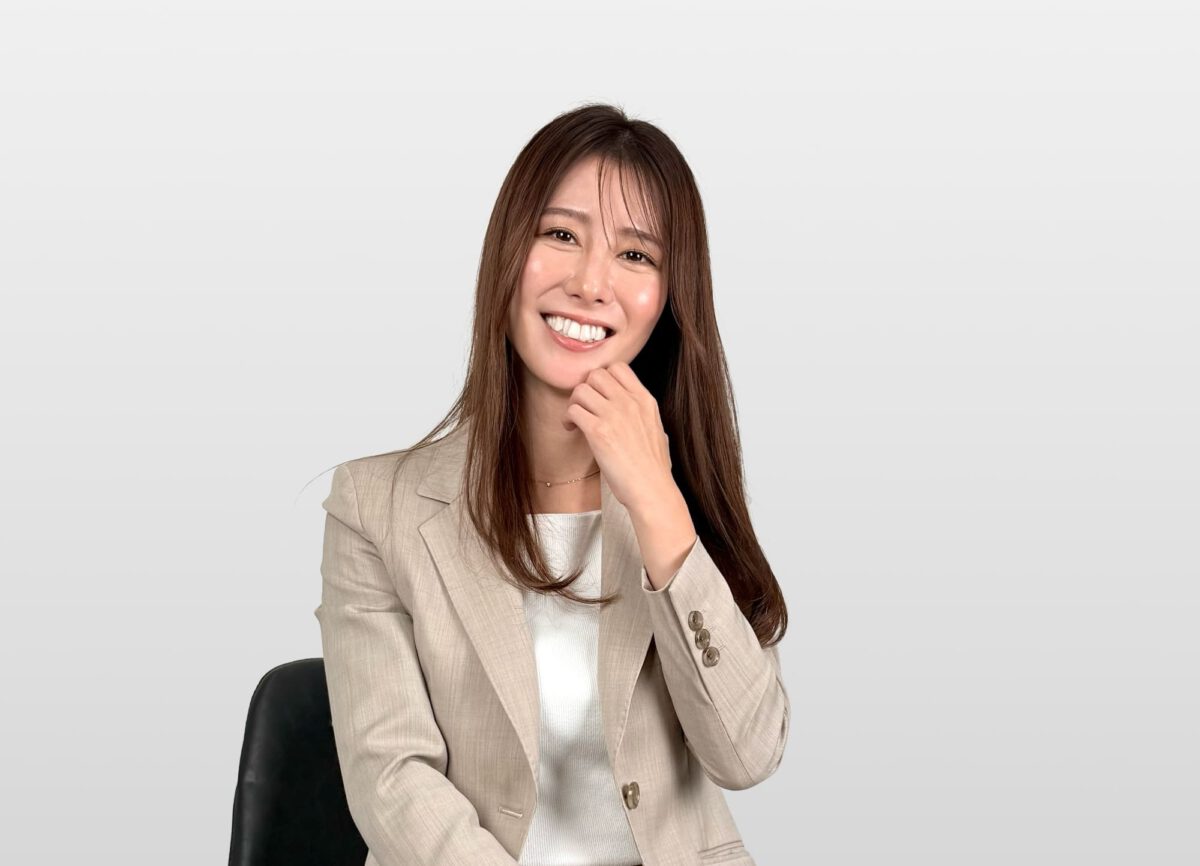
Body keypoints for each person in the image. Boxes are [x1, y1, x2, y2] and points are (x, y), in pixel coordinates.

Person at [315, 102, 790, 866]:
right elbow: (392, 782)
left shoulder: (684, 498)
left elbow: (748, 754)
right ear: (509, 251)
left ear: (669, 297)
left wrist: (657, 501)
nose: (590, 282)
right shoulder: (377, 508)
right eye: (561, 235)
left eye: (635, 254)